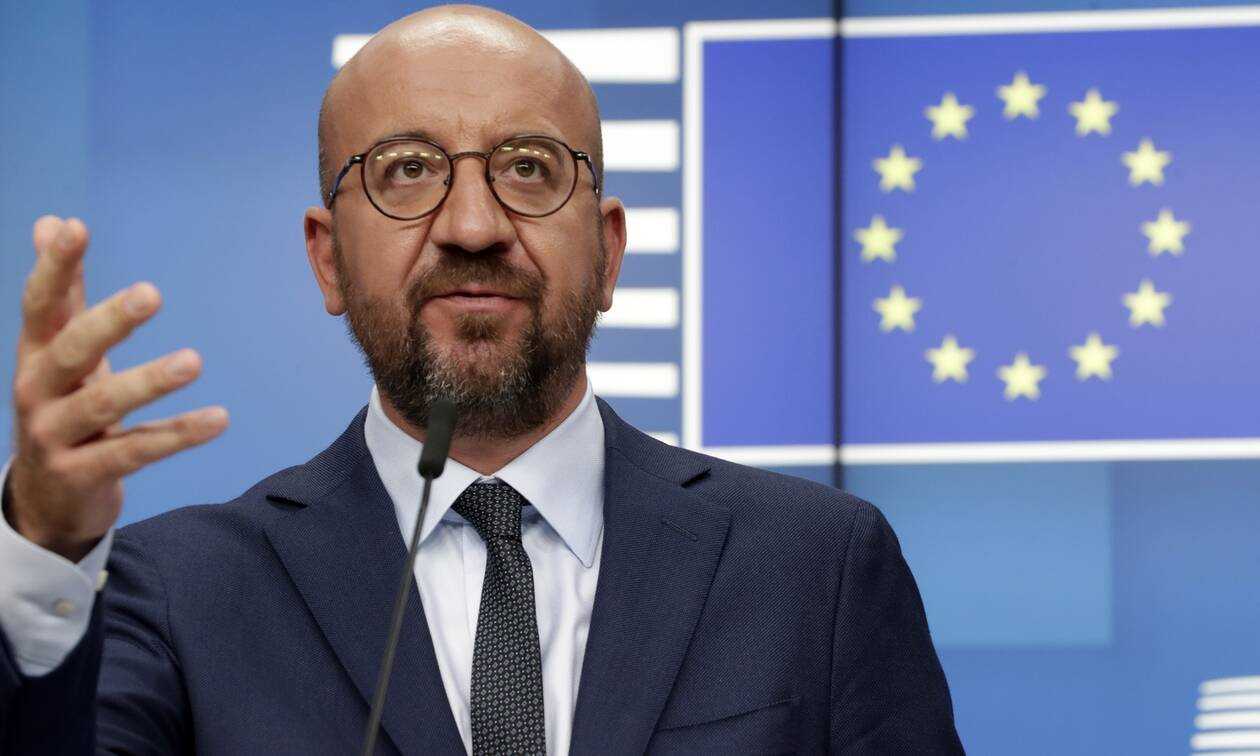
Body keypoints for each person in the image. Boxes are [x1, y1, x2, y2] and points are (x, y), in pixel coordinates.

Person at [0, 5, 963, 754]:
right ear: (329, 259)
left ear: (610, 250)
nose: (473, 226)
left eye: (530, 169)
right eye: (407, 170)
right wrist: (44, 542)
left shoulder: (817, 567)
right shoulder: (180, 589)